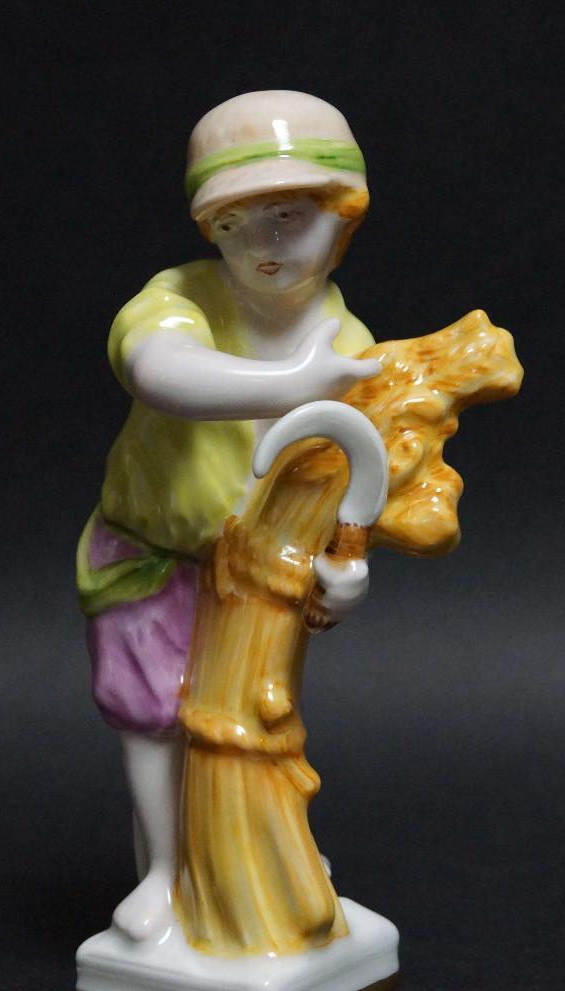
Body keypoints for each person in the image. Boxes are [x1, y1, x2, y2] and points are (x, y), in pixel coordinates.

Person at [77, 90, 382, 942]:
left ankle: (261, 857)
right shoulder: (181, 296)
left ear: (345, 215)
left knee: (258, 723)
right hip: (149, 550)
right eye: (232, 224)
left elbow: (360, 471)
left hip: (266, 579)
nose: (261, 245)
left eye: (287, 216)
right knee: (149, 715)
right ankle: (164, 873)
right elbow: (159, 370)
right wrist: (293, 386)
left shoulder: (354, 347)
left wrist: (350, 565)